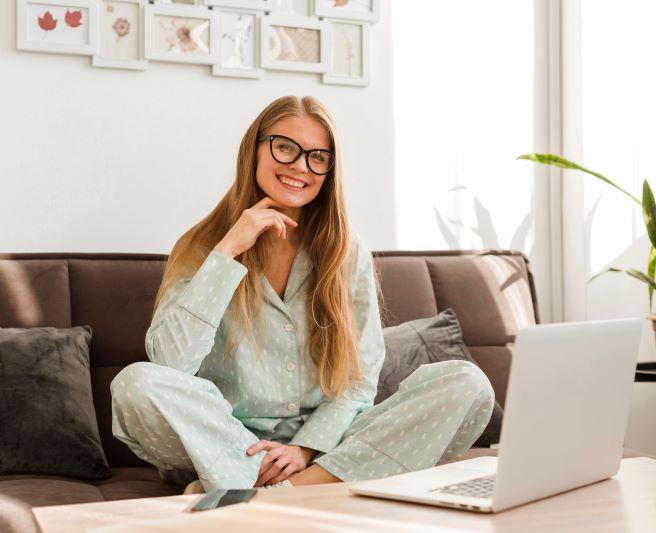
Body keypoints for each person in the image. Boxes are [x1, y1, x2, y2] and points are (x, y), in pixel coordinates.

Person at [110, 95, 494, 493]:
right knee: (134, 384)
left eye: (317, 157)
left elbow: (357, 381)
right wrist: (228, 252)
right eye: (285, 147)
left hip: (326, 445)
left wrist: (305, 449)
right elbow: (170, 364)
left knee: (467, 383)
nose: (299, 166)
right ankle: (273, 481)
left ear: (329, 170)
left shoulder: (347, 252)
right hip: (220, 442)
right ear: (254, 149)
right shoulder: (201, 247)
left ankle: (283, 488)